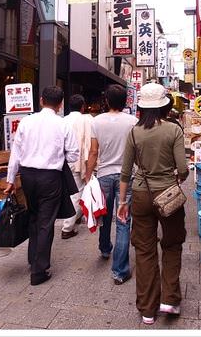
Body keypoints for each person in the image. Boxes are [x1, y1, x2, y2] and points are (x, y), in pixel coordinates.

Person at [116, 83, 189, 325]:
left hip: (140, 194)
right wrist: (179, 177)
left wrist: (122, 202)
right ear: (165, 106)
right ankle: (169, 299)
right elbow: (183, 169)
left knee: (145, 250)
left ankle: (148, 310)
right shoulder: (173, 130)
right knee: (172, 243)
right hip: (168, 194)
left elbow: (125, 172)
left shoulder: (135, 132)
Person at [5, 86, 79, 286]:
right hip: (50, 177)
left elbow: (16, 153)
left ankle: (33, 258)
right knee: (46, 222)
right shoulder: (63, 125)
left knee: (34, 216)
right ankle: (39, 270)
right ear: (61, 104)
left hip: (28, 175)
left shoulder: (26, 122)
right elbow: (73, 154)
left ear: (40, 100)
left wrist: (10, 180)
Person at [84, 84, 137, 285]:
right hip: (127, 177)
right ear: (125, 101)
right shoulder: (133, 122)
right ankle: (120, 271)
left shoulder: (97, 122)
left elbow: (93, 151)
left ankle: (105, 248)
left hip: (104, 174)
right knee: (123, 221)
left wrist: (89, 175)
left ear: (106, 101)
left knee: (103, 215)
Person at [61, 94, 94, 239]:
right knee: (77, 193)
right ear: (82, 106)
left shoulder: (63, 120)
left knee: (72, 192)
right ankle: (67, 227)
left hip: (65, 161)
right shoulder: (87, 120)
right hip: (82, 161)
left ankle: (77, 216)